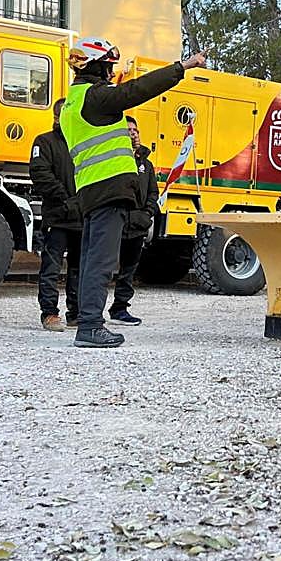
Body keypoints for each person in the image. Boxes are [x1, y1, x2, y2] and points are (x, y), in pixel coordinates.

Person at [60, 36, 205, 348]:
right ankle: (90, 328)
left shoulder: (72, 101)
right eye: (108, 66)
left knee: (89, 260)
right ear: (96, 65)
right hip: (109, 188)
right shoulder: (96, 97)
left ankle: (85, 321)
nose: (111, 72)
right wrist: (183, 66)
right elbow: (138, 90)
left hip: (90, 190)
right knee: (101, 261)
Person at [28, 98, 80, 332]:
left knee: (80, 268)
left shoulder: (83, 142)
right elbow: (40, 175)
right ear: (57, 116)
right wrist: (66, 199)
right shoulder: (44, 142)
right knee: (51, 266)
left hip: (81, 217)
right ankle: (49, 313)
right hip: (57, 217)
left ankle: (77, 313)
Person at [109, 115, 159, 327]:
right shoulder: (113, 159)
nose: (133, 133)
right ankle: (88, 311)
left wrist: (146, 214)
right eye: (129, 130)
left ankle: (120, 308)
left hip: (137, 224)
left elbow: (152, 193)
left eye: (135, 130)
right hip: (115, 222)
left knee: (128, 269)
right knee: (103, 268)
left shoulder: (146, 164)